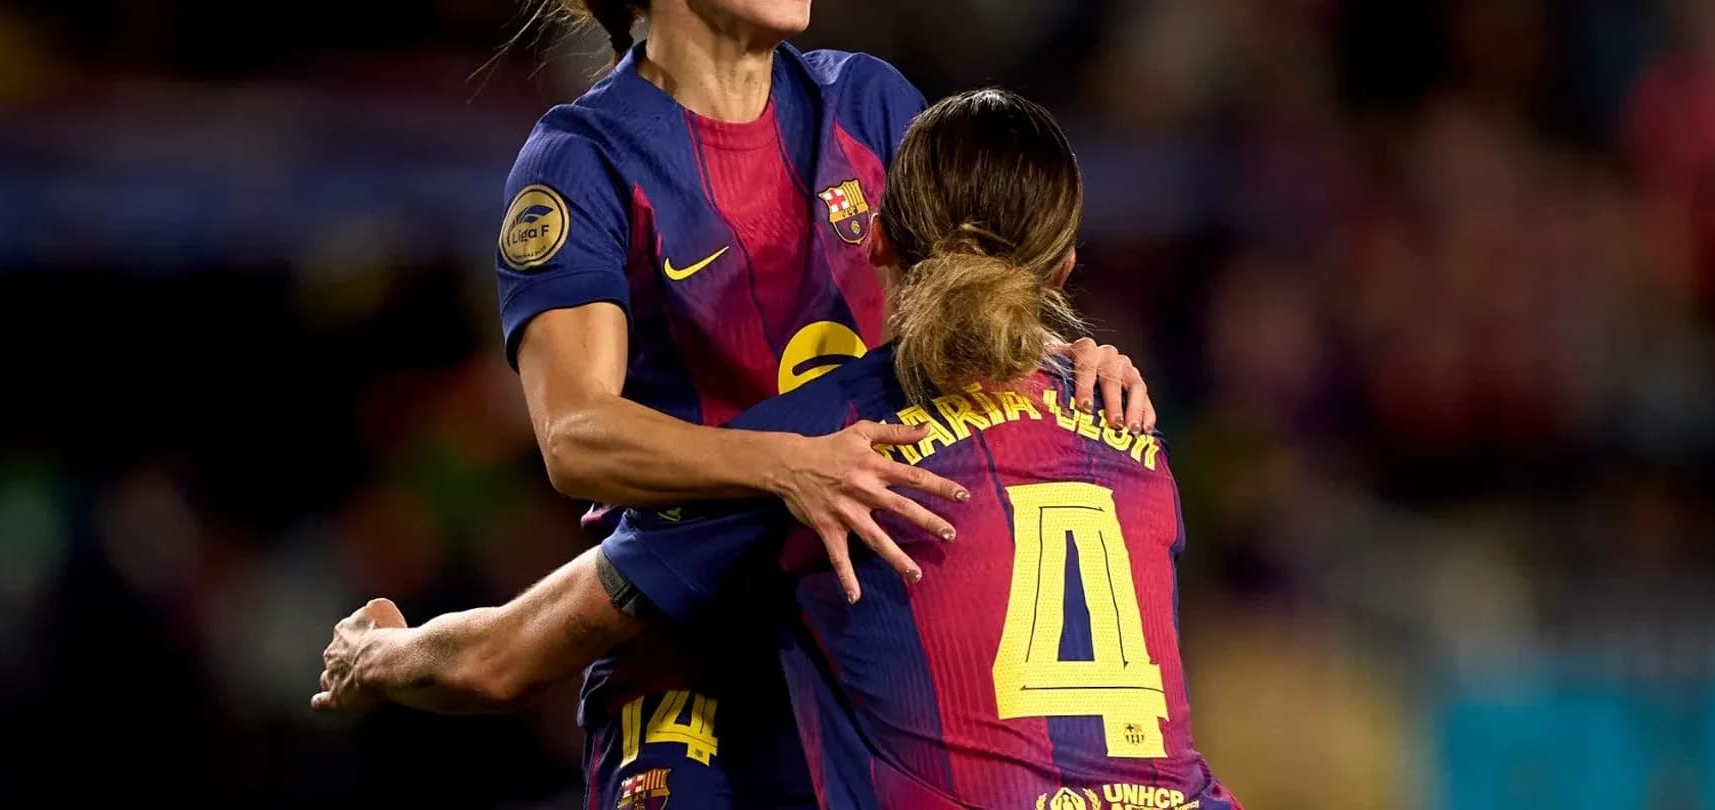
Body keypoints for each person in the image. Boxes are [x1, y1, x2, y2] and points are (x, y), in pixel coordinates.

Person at [482, 0, 1159, 807]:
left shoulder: (871, 102)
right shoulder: (580, 160)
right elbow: (577, 433)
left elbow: (975, 305)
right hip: (685, 631)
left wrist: (1061, 356)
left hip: (872, 606)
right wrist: (785, 467)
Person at [316, 90, 1240, 810]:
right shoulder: (1129, 421)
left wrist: (378, 657)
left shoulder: (823, 449)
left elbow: (503, 658)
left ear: (872, 238)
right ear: (1067, 270)